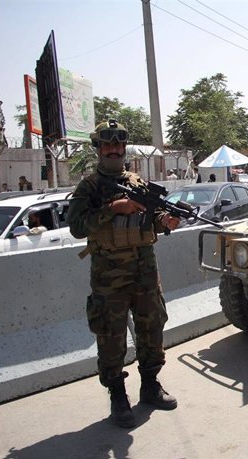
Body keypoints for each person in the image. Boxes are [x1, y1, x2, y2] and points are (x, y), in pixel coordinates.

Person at [67, 119, 181, 428]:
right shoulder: (89, 187)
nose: (114, 149)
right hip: (109, 278)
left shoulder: (137, 182)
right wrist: (113, 209)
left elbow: (153, 217)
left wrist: (165, 221)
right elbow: (77, 227)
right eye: (108, 145)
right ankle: (118, 395)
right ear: (99, 148)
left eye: (118, 145)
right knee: (111, 335)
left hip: (145, 272)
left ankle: (150, 384)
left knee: (152, 327)